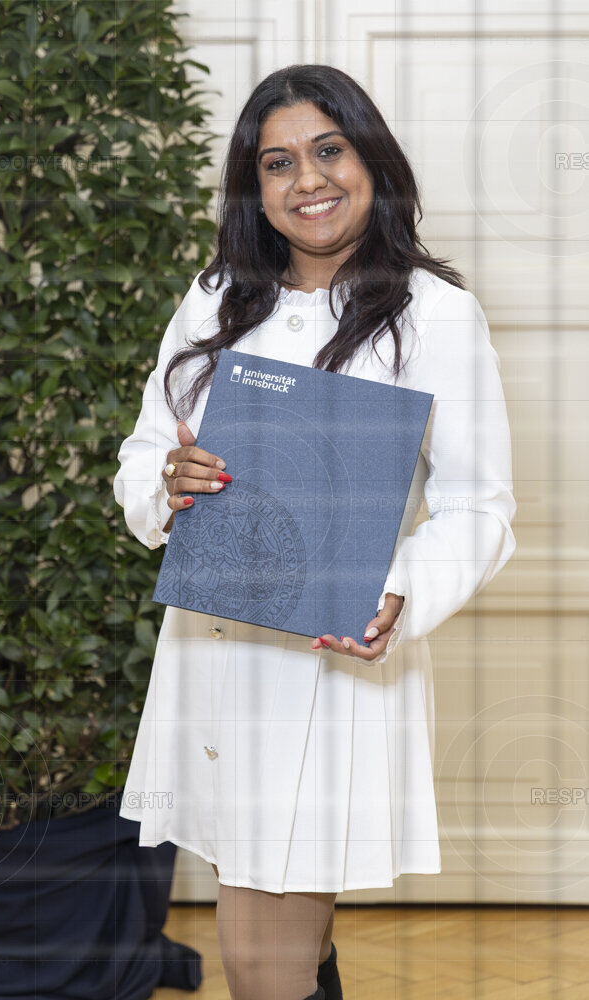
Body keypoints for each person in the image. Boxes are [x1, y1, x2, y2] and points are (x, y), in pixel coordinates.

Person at [113, 64, 516, 1000]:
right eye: (277, 163)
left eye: (328, 151)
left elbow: (480, 506)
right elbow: (142, 454)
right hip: (213, 654)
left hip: (329, 664)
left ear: (371, 159)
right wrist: (167, 484)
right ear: (253, 188)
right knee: (278, 941)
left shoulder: (433, 313)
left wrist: (399, 592)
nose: (307, 180)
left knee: (262, 964)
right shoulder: (217, 295)